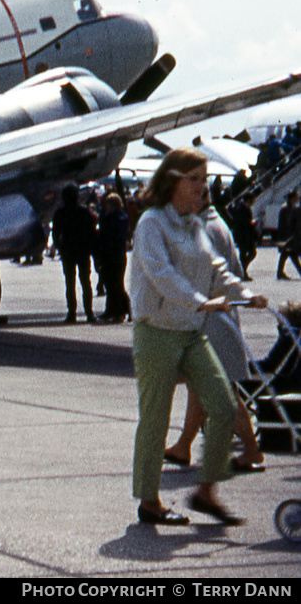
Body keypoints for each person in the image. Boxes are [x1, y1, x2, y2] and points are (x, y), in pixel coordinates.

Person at [128, 148, 265, 527]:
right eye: (195, 179)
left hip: (190, 330)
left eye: (205, 180)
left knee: (223, 406)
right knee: (154, 419)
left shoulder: (193, 224)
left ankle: (206, 492)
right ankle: (150, 502)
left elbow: (216, 266)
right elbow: (160, 274)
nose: (203, 188)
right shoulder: (151, 223)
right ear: (173, 180)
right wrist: (202, 302)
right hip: (156, 330)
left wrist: (244, 294)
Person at [163, 210, 266, 473]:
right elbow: (235, 270)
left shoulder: (199, 230)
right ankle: (183, 446)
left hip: (209, 319)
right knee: (201, 388)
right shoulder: (219, 225)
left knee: (223, 392)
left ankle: (252, 451)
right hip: (220, 316)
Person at [53, 185, 98, 323]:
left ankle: (71, 312)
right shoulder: (84, 212)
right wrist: (91, 248)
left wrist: (60, 248)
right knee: (85, 282)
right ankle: (89, 313)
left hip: (68, 250)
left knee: (70, 283)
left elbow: (56, 233)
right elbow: (92, 232)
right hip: (82, 250)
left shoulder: (60, 213)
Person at [96, 193, 130, 322]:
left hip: (116, 254)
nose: (105, 207)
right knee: (109, 284)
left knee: (115, 284)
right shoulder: (107, 217)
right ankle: (112, 310)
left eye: (107, 205)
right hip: (108, 254)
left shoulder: (119, 218)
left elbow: (117, 236)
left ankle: (120, 311)